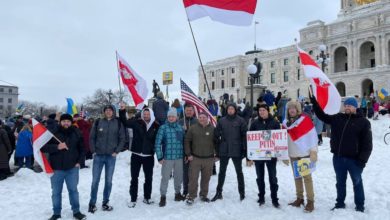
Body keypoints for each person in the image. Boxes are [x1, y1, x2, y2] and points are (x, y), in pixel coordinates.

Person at [311, 96, 372, 212]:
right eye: (346, 105)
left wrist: (362, 160)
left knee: (357, 183)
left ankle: (359, 205)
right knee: (340, 183)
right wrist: (315, 103)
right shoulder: (338, 118)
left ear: (356, 107)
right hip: (338, 158)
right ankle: (339, 203)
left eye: (350, 105)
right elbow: (322, 116)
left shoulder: (364, 122)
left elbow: (367, 145)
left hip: (355, 160)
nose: (347, 107)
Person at [41, 114, 86, 220]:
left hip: (72, 168)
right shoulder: (53, 133)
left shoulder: (76, 132)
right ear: (60, 122)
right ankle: (56, 213)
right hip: (56, 169)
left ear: (71, 122)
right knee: (56, 192)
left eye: (68, 121)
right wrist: (57, 146)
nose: (66, 123)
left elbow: (82, 149)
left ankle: (76, 211)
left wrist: (79, 162)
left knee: (73, 190)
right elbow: (43, 147)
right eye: (64, 121)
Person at [119, 103, 160, 208]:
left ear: (151, 115)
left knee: (148, 178)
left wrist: (155, 151)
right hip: (136, 155)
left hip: (148, 156)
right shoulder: (137, 123)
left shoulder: (156, 125)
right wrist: (123, 110)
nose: (146, 116)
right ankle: (133, 198)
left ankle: (147, 197)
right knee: (134, 178)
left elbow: (158, 140)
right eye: (144, 114)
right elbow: (124, 122)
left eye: (148, 114)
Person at [88, 105, 126, 213]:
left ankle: (105, 202)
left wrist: (117, 151)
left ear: (113, 112)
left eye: (110, 110)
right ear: (104, 112)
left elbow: (122, 138)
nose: (108, 112)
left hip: (111, 157)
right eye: (107, 110)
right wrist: (93, 151)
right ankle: (92, 203)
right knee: (95, 181)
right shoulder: (98, 122)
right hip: (98, 156)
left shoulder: (118, 123)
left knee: (108, 181)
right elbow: (92, 137)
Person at [284, 101, 318, 213]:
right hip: (293, 154)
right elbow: (283, 140)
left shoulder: (305, 120)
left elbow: (312, 135)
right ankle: (299, 198)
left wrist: (313, 151)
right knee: (297, 177)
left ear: (298, 109)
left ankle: (310, 201)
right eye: (290, 108)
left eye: (294, 108)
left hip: (304, 153)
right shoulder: (285, 123)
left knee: (307, 178)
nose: (292, 110)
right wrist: (283, 154)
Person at [211, 103, 247, 202]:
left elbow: (245, 136)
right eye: (229, 109)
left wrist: (244, 149)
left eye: (232, 109)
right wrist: (219, 145)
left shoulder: (241, 120)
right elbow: (216, 135)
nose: (230, 110)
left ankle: (242, 192)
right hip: (224, 150)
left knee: (239, 172)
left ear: (235, 110)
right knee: (222, 172)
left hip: (237, 149)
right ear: (227, 110)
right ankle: (219, 192)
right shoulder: (222, 120)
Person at [249, 104, 281, 208]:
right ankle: (261, 196)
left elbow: (279, 139)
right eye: (260, 110)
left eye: (263, 110)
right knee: (260, 177)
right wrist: (250, 155)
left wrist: (280, 152)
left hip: (271, 156)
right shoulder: (254, 123)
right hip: (259, 156)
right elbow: (250, 139)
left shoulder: (275, 122)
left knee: (272, 177)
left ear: (267, 111)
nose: (261, 112)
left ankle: (274, 198)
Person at [154, 108, 185, 207]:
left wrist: (185, 155)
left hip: (179, 157)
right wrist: (159, 157)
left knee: (178, 177)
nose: (171, 118)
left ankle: (177, 194)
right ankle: (163, 196)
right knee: (165, 178)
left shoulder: (180, 128)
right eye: (169, 116)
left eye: (173, 116)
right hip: (167, 158)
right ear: (167, 117)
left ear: (176, 117)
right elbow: (157, 143)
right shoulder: (163, 128)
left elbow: (184, 143)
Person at [185, 112, 216, 205]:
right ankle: (191, 196)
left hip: (209, 158)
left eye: (204, 117)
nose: (202, 119)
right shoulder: (193, 128)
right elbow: (187, 141)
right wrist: (188, 154)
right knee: (193, 178)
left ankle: (203, 195)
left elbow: (217, 142)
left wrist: (217, 154)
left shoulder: (213, 129)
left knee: (206, 179)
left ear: (207, 118)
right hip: (195, 158)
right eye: (200, 117)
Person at [178, 104, 198, 198]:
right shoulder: (180, 122)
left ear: (193, 111)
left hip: (195, 151)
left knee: (194, 173)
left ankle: (193, 191)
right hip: (183, 151)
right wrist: (183, 131)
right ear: (184, 111)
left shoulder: (197, 122)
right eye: (187, 110)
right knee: (185, 173)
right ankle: (185, 190)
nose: (189, 112)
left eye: (190, 110)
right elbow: (177, 137)